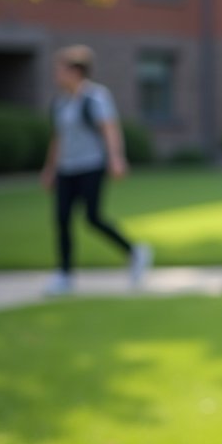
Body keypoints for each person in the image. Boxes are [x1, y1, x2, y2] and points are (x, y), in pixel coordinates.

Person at [41, 45, 152, 296]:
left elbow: (109, 128)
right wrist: (49, 169)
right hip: (66, 169)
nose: (56, 76)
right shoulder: (60, 102)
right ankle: (64, 274)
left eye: (60, 71)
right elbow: (57, 138)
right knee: (61, 219)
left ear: (75, 72)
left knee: (92, 217)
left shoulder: (95, 97)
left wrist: (116, 158)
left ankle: (135, 252)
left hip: (91, 165)